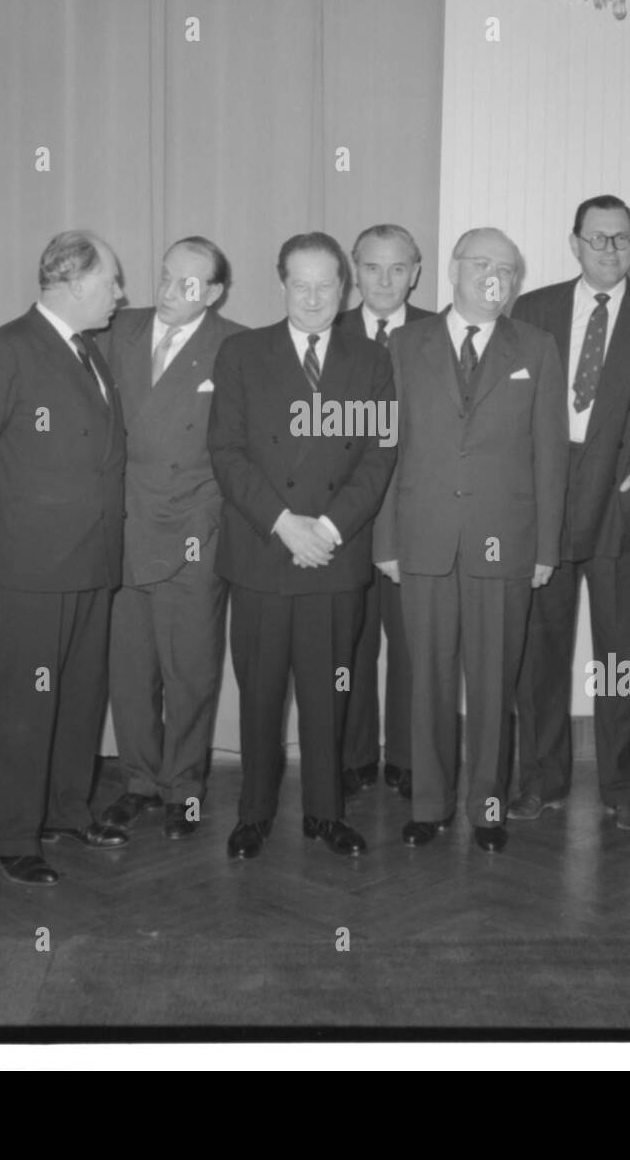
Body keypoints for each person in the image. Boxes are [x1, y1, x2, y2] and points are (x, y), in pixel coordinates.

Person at [375, 227, 567, 854]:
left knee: (493, 684)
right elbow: (386, 447)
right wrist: (385, 539)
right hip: (422, 538)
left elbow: (549, 456)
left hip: (503, 544)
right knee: (425, 680)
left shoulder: (536, 348)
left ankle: (488, 807)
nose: (495, 275)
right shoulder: (404, 344)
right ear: (453, 270)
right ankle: (429, 804)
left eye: (507, 268)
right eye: (481, 263)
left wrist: (544, 549)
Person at [512, 195, 630, 833]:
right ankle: (540, 778)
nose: (610, 250)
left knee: (618, 657)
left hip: (623, 504)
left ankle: (622, 788)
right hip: (547, 502)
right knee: (541, 653)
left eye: (621, 239)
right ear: (574, 243)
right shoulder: (532, 310)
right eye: (598, 239)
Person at [208, 232, 395, 859]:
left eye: (325, 284)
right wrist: (283, 523)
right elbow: (226, 452)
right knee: (259, 692)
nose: (313, 297)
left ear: (342, 288)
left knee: (329, 692)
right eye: (300, 283)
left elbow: (378, 453)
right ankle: (254, 813)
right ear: (280, 283)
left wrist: (331, 530)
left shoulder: (371, 360)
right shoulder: (241, 353)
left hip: (335, 555)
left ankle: (326, 812)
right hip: (264, 551)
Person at [0, 230, 128, 886]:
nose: (120, 292)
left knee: (80, 697)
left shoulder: (88, 351)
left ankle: (65, 810)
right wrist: (11, 529)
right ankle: (11, 836)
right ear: (77, 283)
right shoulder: (8, 350)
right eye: (111, 280)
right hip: (33, 567)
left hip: (93, 560)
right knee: (26, 704)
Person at [97, 238, 244, 840]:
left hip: (193, 531)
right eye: (164, 275)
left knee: (191, 669)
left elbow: (242, 448)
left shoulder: (235, 346)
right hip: (124, 526)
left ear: (213, 293)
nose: (167, 290)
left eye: (187, 283)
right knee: (129, 669)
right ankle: (138, 781)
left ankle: (185, 787)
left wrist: (209, 521)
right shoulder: (114, 332)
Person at [338, 223, 434, 799]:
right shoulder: (329, 329)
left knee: (413, 645)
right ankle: (351, 757)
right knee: (348, 645)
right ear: (354, 270)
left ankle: (405, 755)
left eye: (399, 268)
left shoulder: (439, 332)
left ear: (417, 272)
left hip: (417, 516)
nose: (385, 280)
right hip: (344, 519)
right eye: (372, 267)